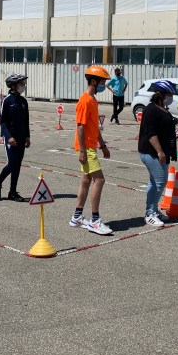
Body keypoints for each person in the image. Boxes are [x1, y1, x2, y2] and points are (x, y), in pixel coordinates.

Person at [70, 65, 112, 235]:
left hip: (91, 146)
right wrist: (82, 151)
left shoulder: (93, 100)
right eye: (102, 82)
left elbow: (94, 127)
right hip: (86, 148)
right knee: (99, 180)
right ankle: (95, 220)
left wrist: (103, 145)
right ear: (93, 81)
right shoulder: (85, 101)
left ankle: (77, 217)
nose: (104, 85)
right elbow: (80, 126)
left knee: (86, 180)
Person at [138, 80, 177, 226]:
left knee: (154, 182)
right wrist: (160, 151)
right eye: (169, 95)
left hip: (161, 151)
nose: (171, 98)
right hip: (151, 152)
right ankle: (150, 213)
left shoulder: (163, 108)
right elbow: (151, 133)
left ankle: (153, 210)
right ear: (162, 95)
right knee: (160, 182)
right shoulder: (151, 109)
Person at [0, 74, 31, 202]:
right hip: (11, 137)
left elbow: (26, 121)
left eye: (23, 84)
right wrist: (8, 137)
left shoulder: (23, 101)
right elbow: (3, 122)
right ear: (14, 86)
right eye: (21, 84)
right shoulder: (7, 101)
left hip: (21, 137)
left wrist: (27, 136)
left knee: (18, 164)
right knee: (12, 163)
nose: (23, 86)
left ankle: (13, 192)